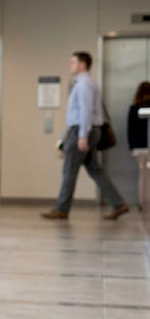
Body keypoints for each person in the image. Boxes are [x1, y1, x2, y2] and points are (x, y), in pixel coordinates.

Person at [41, 52, 129, 220]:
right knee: (95, 170)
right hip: (87, 130)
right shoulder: (86, 83)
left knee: (69, 170)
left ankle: (61, 209)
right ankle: (118, 203)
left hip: (82, 131)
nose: (70, 65)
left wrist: (82, 135)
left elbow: (86, 110)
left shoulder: (84, 84)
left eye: (73, 62)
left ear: (82, 65)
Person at [126, 81, 150, 151]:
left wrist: (132, 147)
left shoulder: (134, 109)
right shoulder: (135, 109)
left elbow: (131, 130)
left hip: (139, 145)